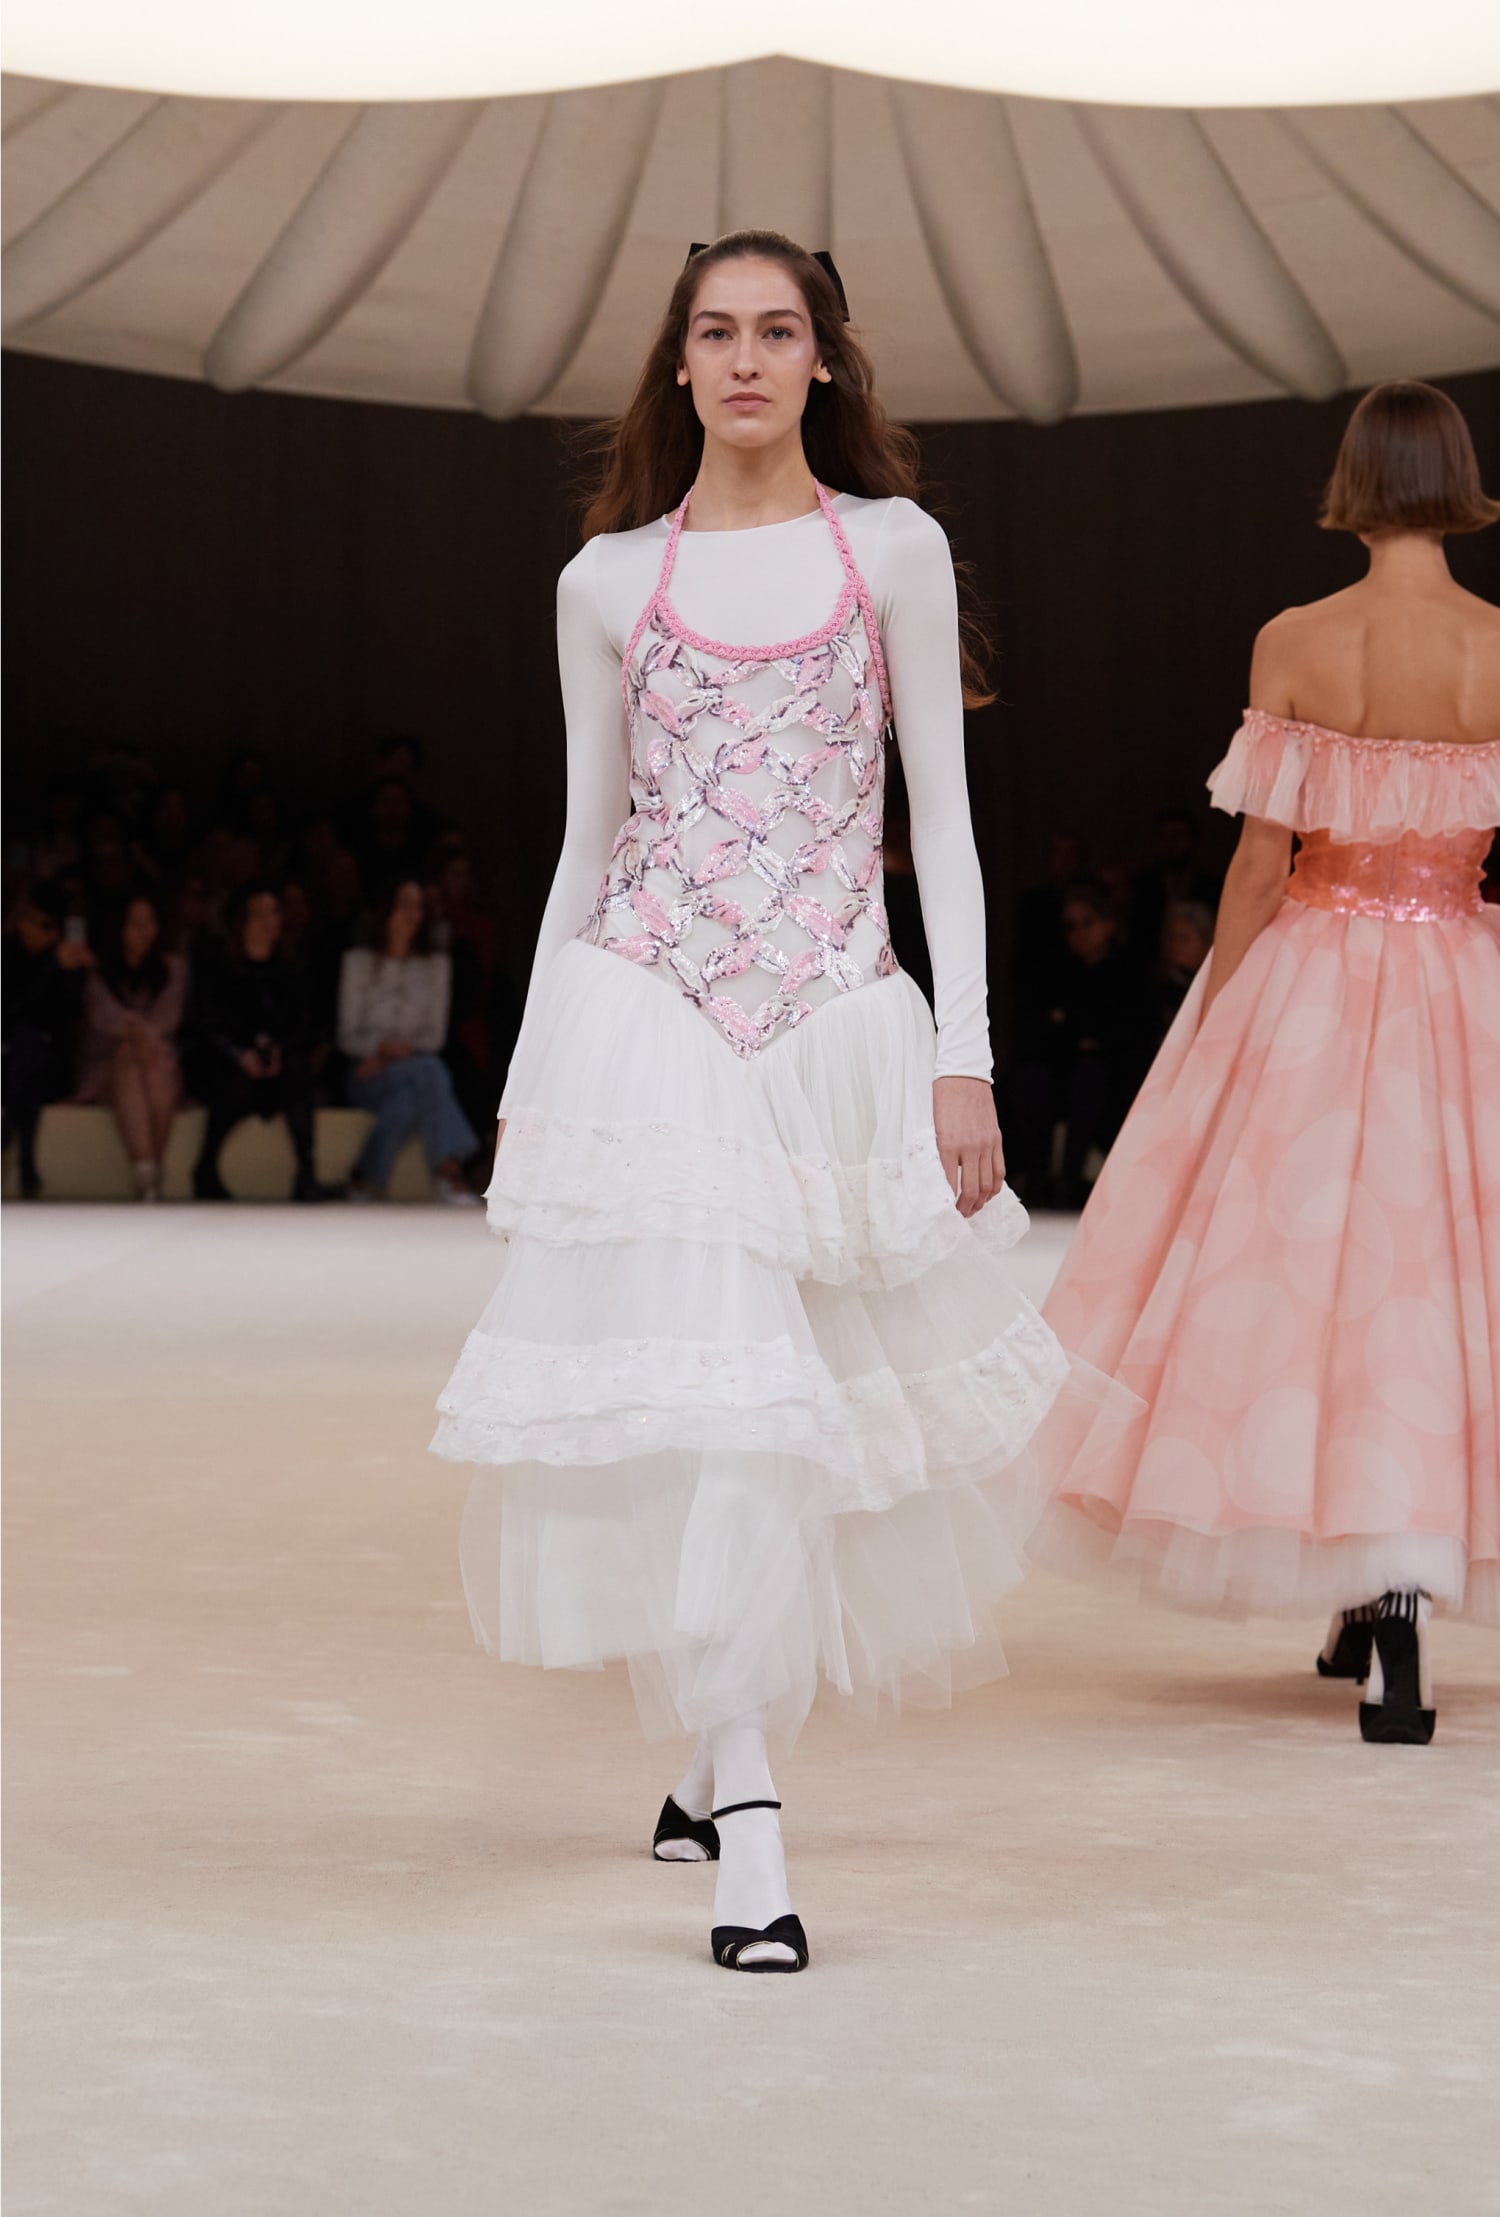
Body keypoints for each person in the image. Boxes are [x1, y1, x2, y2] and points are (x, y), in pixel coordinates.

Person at [430, 230, 1127, 1974]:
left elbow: (943, 824)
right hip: (648, 1016)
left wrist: (965, 1052)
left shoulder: (892, 548)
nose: (746, 358)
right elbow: (589, 838)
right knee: (730, 1411)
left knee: (805, 1412)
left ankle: (704, 1745)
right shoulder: (607, 578)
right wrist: (534, 1073)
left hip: (836, 1021)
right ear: (678, 365)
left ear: (824, 359)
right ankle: (749, 1813)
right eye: (716, 332)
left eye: (777, 330)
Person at [1039, 381, 1500, 1745]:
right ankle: (1391, 1597)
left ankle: (1373, 1592)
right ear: (1460, 480)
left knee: (1316, 1286)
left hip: (1317, 976)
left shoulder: (1296, 639)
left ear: (1353, 480)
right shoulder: (1495, 647)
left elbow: (1258, 859)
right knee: (1436, 1281)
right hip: (1460, 977)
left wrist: (1217, 1015)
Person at [1006, 878, 1152, 1208]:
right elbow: (1043, 1032)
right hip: (1061, 1073)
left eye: (1088, 922)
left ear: (1109, 924)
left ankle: (1071, 1182)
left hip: (1113, 1081)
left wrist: (1079, 1031)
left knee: (1090, 1075)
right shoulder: (1056, 970)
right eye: (1070, 926)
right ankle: (1036, 1180)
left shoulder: (1130, 972)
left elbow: (1132, 1035)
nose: (1079, 933)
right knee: (1031, 1077)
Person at [191, 883, 338, 1203]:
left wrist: (279, 1050)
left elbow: (304, 1023)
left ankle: (306, 1174)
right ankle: (206, 1168)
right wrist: (240, 1053)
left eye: (274, 913)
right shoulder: (219, 964)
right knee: (233, 1085)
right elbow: (207, 1022)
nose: (269, 921)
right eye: (259, 914)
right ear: (242, 921)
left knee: (297, 1075)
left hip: (279, 1065)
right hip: (230, 1063)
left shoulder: (292, 965)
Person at [337, 879, 479, 1204]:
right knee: (429, 1072)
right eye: (404, 905)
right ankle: (448, 1171)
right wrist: (379, 1050)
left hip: (411, 1066)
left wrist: (391, 1053)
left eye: (418, 907)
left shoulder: (435, 966)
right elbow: (347, 1034)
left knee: (411, 1094)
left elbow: (434, 1037)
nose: (411, 915)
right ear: (386, 911)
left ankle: (365, 1180)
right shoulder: (358, 962)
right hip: (367, 1073)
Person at [74, 889, 188, 1201]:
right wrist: (138, 1032)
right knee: (130, 1057)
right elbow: (103, 1015)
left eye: (150, 922)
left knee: (153, 1061)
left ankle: (147, 1169)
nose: (144, 931)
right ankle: (149, 1170)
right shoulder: (98, 970)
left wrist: (144, 1036)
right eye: (136, 923)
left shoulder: (173, 968)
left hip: (158, 1059)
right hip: (106, 1065)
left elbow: (169, 1017)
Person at [2, 881, 92, 1198]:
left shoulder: (63, 961)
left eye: (52, 926)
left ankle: (6, 1136)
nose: (49, 934)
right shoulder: (7, 954)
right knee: (26, 1045)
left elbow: (67, 1020)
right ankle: (26, 1162)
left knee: (32, 1049)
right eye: (41, 924)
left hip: (51, 1065)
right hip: (10, 1058)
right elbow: (10, 1012)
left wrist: (72, 972)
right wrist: (50, 968)